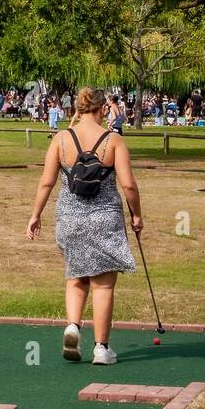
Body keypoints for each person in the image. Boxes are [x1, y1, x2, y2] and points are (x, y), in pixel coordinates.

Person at [26, 87, 142, 366]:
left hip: (70, 217)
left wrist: (35, 214)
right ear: (103, 109)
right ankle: (101, 348)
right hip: (105, 217)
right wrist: (137, 216)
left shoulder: (61, 138)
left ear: (77, 109)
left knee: (76, 276)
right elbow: (128, 184)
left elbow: (46, 181)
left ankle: (73, 327)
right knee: (103, 285)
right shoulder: (113, 140)